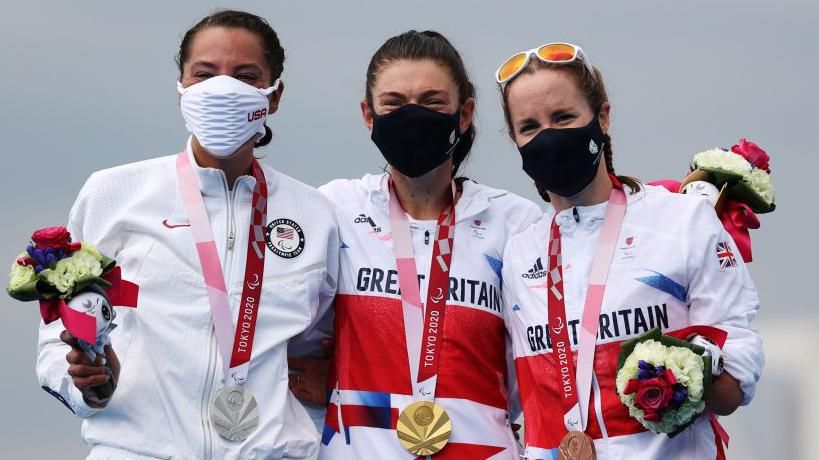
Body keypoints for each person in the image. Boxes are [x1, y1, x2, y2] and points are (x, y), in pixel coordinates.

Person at [36, 10, 338, 459]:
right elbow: (58, 340)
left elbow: (321, 352)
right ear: (181, 88)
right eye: (204, 73)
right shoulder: (115, 193)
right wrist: (93, 387)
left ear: (274, 96)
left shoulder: (315, 214)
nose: (223, 88)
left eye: (246, 76)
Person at [495, 43, 763, 459]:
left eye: (563, 117)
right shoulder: (518, 253)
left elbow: (734, 384)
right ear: (515, 140)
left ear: (602, 117)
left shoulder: (683, 221)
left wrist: (692, 368)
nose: (548, 136)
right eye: (529, 127)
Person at [315, 31, 542, 459]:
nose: (413, 116)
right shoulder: (334, 209)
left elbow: (538, 365)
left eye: (433, 101)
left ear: (465, 113)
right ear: (368, 114)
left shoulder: (516, 222)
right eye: (394, 103)